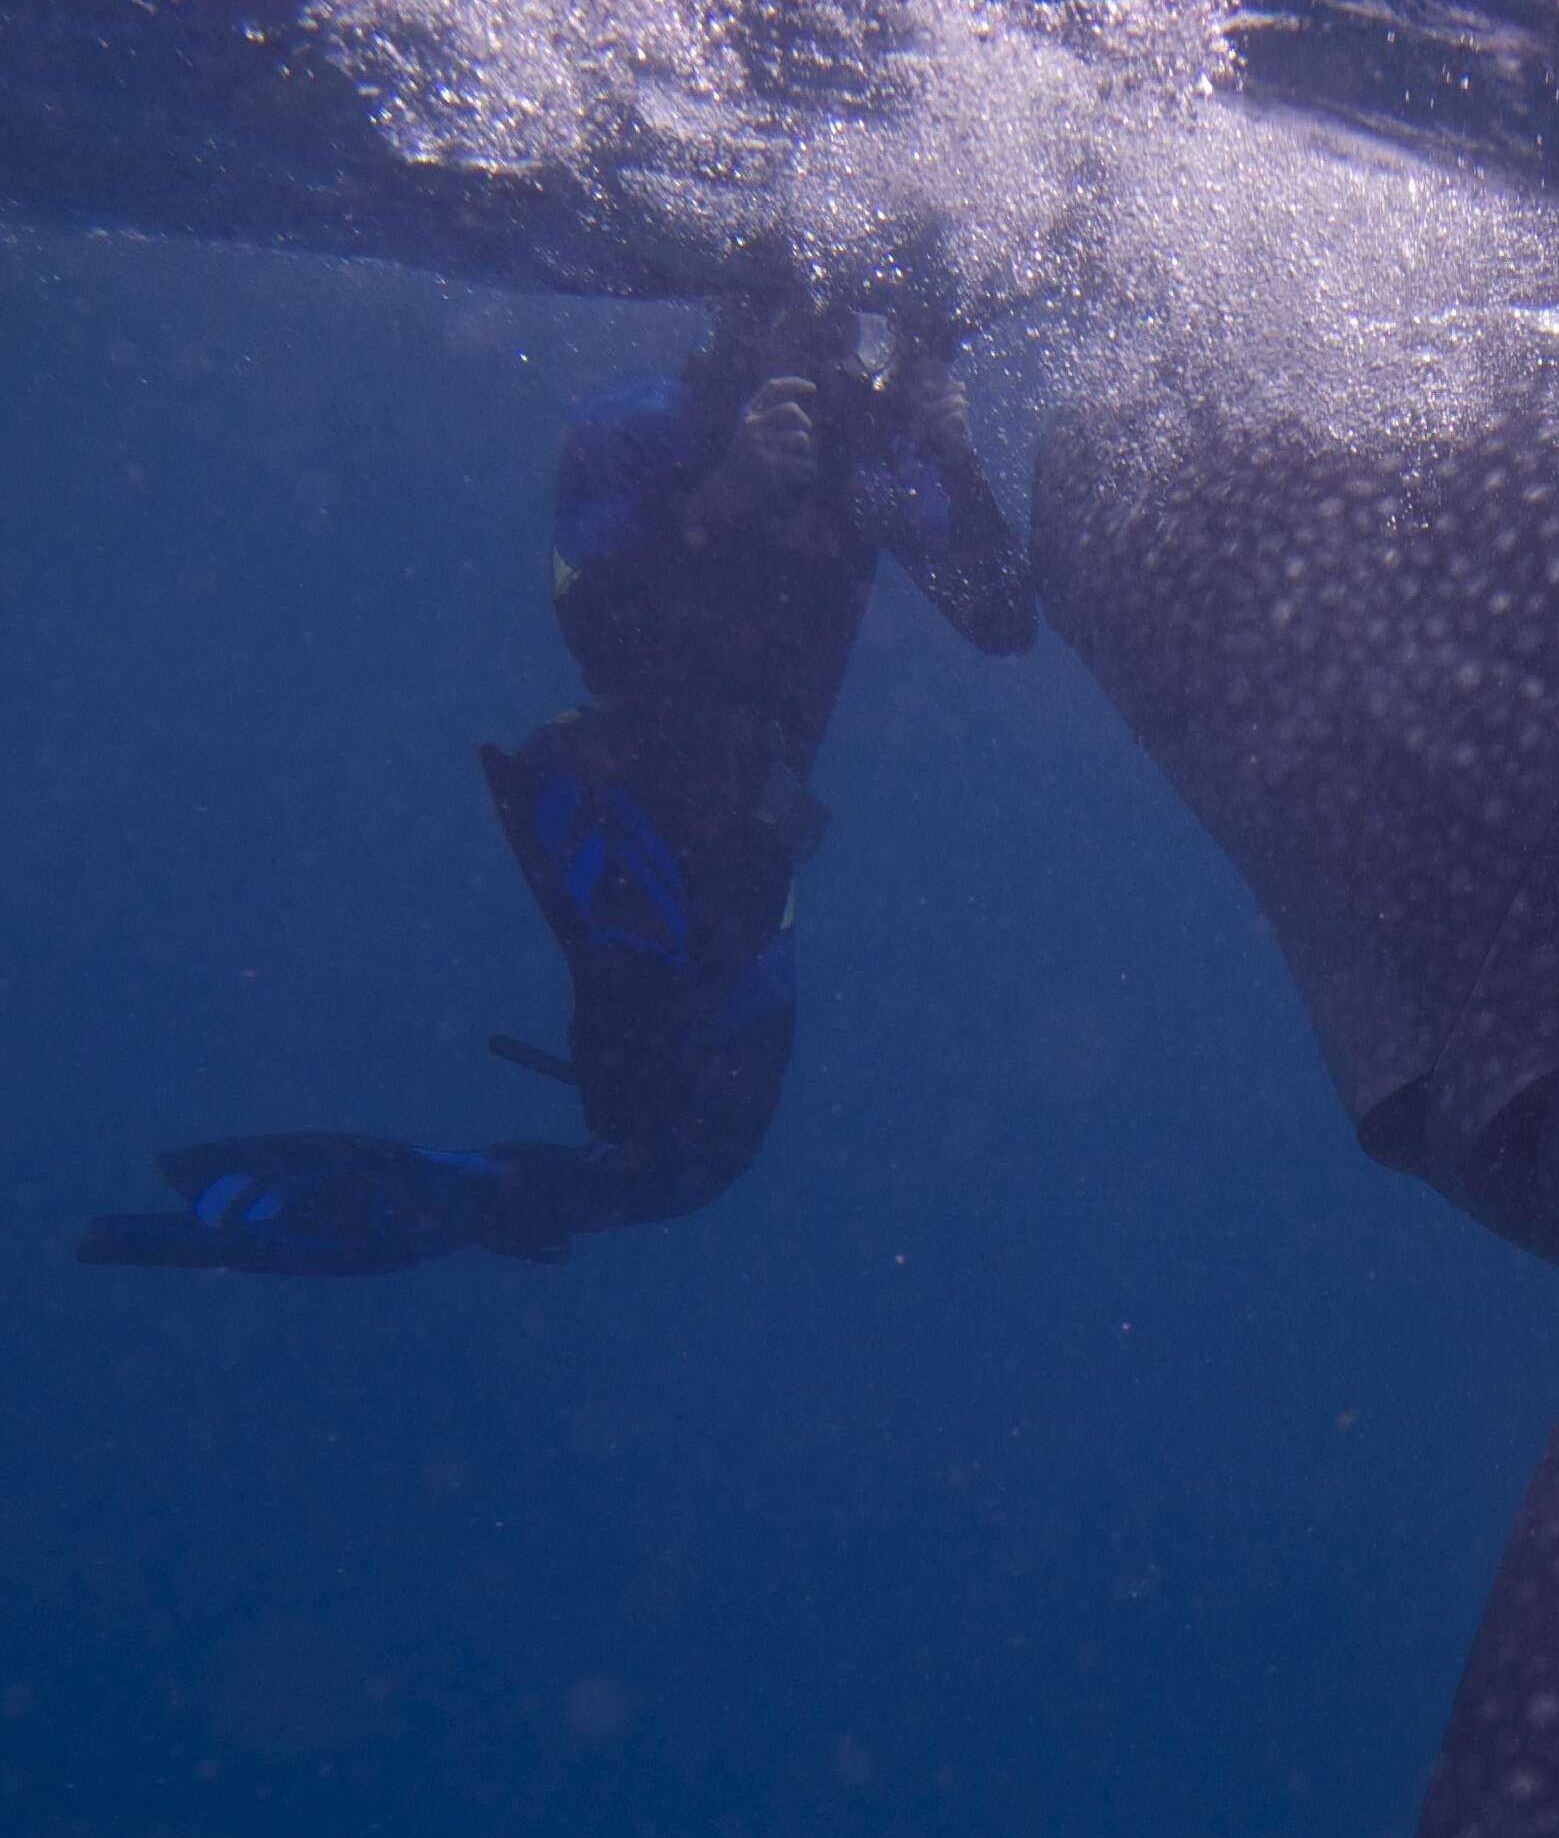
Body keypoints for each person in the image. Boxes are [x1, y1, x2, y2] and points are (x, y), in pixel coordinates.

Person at [77, 291, 1032, 1274]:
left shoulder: (867, 468)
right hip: (611, 795)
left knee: (696, 1160)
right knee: (639, 1086)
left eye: (849, 343)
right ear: (742, 322)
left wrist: (953, 455)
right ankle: (376, 1199)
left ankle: (454, 1191)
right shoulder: (643, 426)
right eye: (805, 333)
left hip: (748, 834)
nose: (831, 367)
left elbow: (1004, 621)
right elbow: (592, 622)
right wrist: (723, 494)